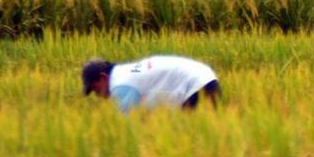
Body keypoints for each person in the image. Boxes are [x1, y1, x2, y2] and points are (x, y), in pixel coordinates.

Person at [81, 55, 220, 113]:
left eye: (95, 89)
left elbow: (130, 129)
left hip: (197, 87)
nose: (97, 95)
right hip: (207, 79)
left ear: (103, 77)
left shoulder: (121, 85)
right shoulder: (124, 73)